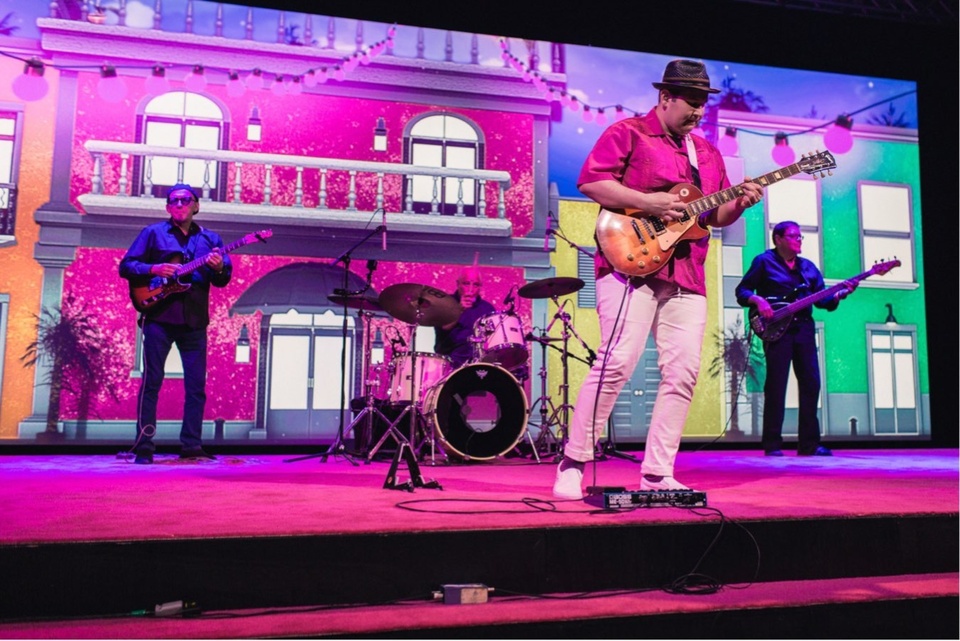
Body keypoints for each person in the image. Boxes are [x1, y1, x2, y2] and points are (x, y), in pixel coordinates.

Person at [553, 59, 765, 499]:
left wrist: (742, 202)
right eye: (691, 102)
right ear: (665, 98)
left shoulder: (706, 153)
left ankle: (656, 472)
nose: (697, 112)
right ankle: (574, 459)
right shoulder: (628, 133)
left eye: (703, 104)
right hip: (629, 262)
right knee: (617, 362)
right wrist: (649, 203)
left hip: (687, 271)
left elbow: (718, 216)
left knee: (683, 372)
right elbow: (593, 183)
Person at [119, 183, 232, 464]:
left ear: (196, 206)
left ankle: (191, 445)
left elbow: (222, 279)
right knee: (152, 383)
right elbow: (126, 266)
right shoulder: (152, 233)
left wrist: (219, 267)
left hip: (194, 321)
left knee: (196, 387)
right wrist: (153, 268)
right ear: (168, 207)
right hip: (158, 318)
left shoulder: (210, 240)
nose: (180, 204)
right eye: (174, 201)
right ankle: (144, 446)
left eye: (185, 200)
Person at [735, 221, 856, 457]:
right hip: (776, 330)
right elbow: (742, 291)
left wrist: (840, 294)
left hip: (803, 330)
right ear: (778, 239)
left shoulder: (808, 268)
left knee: (812, 383)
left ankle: (809, 445)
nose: (799, 240)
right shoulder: (763, 261)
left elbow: (822, 301)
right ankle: (772, 445)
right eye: (793, 236)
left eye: (801, 237)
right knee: (776, 386)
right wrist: (759, 301)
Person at [434, 266, 496, 368]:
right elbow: (444, 327)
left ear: (480, 287)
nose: (471, 289)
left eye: (476, 284)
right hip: (449, 361)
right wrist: (459, 310)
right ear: (458, 284)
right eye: (466, 283)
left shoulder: (487, 308)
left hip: (479, 363)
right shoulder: (445, 302)